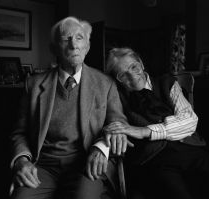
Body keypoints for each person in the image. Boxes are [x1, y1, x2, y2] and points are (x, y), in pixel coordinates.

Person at [9, 17, 128, 199]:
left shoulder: (105, 84)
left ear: (87, 47)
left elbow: (117, 124)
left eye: (79, 38)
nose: (74, 45)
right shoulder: (33, 84)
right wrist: (21, 160)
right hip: (43, 166)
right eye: (66, 39)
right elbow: (20, 132)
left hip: (85, 163)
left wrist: (101, 148)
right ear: (54, 49)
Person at [103, 47, 209, 199]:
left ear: (141, 64)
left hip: (190, 148)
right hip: (154, 158)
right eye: (123, 74)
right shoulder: (117, 97)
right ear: (117, 79)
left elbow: (189, 119)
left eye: (134, 67)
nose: (133, 77)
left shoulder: (167, 83)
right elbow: (112, 123)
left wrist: (144, 131)